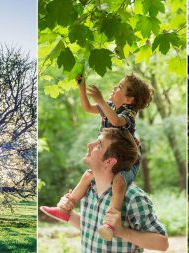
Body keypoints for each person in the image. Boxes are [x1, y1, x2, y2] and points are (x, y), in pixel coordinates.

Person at [40, 73, 153, 241]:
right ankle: (65, 209)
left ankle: (110, 224)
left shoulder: (128, 113)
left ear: (129, 99)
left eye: (120, 87)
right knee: (87, 175)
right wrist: (81, 86)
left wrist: (100, 100)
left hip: (128, 162)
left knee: (119, 182)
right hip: (109, 157)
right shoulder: (108, 106)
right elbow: (86, 107)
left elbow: (115, 121)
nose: (115, 88)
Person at [58, 128, 168, 252]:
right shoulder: (89, 190)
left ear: (109, 161)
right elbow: (91, 228)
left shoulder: (133, 197)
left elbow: (163, 244)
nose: (89, 145)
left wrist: (121, 232)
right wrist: (68, 213)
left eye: (98, 145)